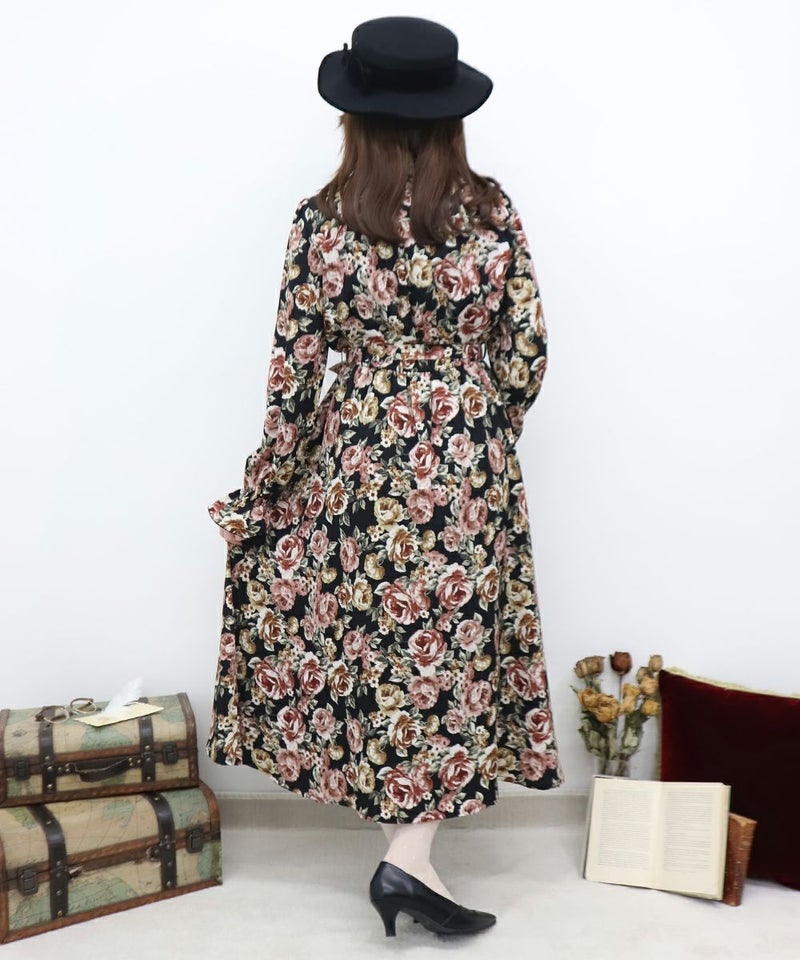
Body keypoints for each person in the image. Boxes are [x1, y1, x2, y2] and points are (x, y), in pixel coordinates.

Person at [206, 15, 566, 939]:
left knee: (382, 646)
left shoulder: (321, 222)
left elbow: (294, 376)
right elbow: (526, 352)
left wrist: (266, 487)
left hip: (359, 454)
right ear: (451, 116)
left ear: (354, 117)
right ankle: (409, 860)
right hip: (467, 457)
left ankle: (407, 858)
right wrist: (475, 422)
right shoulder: (490, 213)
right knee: (444, 653)